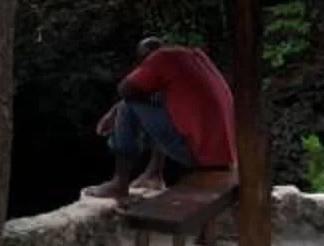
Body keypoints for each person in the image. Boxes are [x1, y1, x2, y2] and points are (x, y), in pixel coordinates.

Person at [88, 35, 236, 200]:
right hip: (223, 156)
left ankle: (119, 184)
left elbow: (125, 89)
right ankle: (153, 174)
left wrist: (115, 111)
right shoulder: (195, 58)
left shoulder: (161, 58)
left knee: (126, 107)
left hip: (199, 154)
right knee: (158, 103)